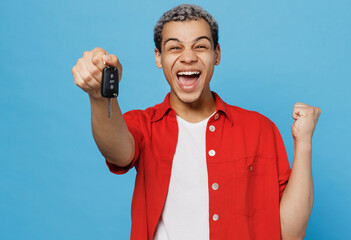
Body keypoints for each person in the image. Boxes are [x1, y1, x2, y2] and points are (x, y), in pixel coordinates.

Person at [72, 4, 321, 240]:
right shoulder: (144, 124)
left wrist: (304, 143)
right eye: (175, 48)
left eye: (200, 47)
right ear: (159, 57)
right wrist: (100, 95)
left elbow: (291, 234)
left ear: (217, 54)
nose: (188, 57)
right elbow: (118, 152)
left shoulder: (260, 129)